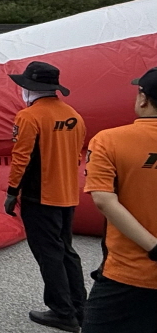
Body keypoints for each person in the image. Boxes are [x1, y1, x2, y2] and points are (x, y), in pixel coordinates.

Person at [5, 62, 87, 332]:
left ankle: (62, 311)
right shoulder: (74, 116)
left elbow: (22, 158)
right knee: (67, 251)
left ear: (30, 88)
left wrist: (12, 191)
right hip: (67, 194)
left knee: (48, 254)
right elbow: (76, 155)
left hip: (40, 196)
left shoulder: (28, 117)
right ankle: (79, 307)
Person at [80, 67, 157, 333]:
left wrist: (153, 246)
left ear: (143, 98)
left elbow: (103, 199)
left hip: (129, 273)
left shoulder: (108, 140)